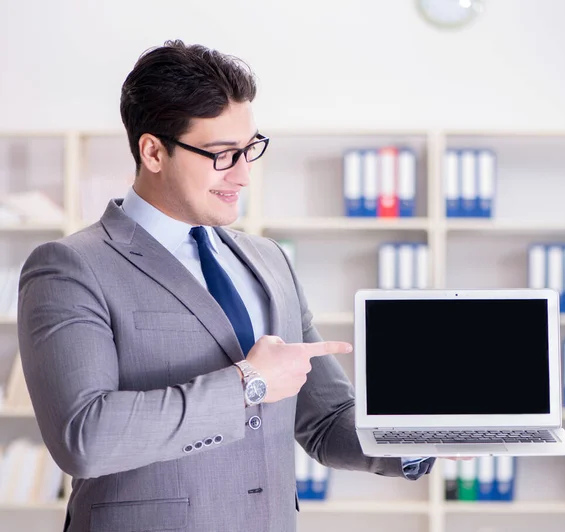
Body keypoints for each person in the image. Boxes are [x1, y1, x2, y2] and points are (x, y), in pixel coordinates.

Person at [17, 40, 435, 532]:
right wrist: (248, 383)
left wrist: (425, 436)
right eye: (222, 154)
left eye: (250, 149)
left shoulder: (270, 260)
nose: (243, 174)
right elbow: (85, 437)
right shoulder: (70, 267)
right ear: (153, 151)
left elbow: (324, 422)